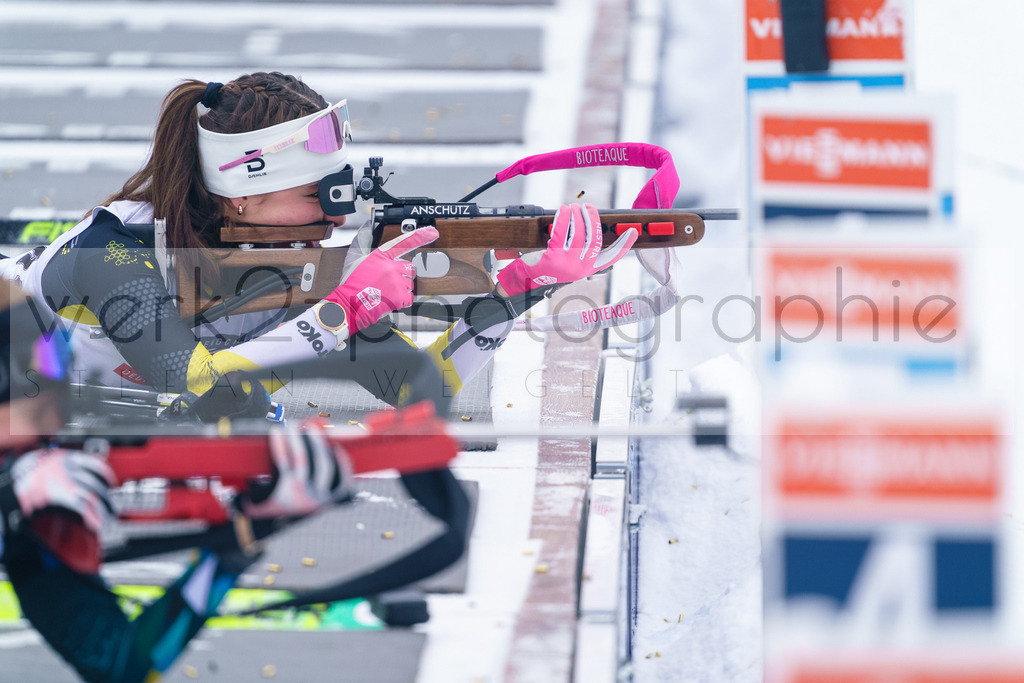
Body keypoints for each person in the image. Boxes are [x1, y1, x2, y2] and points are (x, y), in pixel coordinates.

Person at [0, 71, 637, 417]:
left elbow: (427, 391)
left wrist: (521, 287)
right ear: (242, 192)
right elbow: (193, 384)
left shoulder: (288, 267)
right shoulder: (117, 250)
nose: (337, 215)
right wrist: (345, 313)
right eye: (318, 194)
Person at [0, 278, 385, 682]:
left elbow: (121, 665)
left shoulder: (38, 488)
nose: (47, 400)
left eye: (49, 363)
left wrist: (244, 535)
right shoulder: (23, 486)